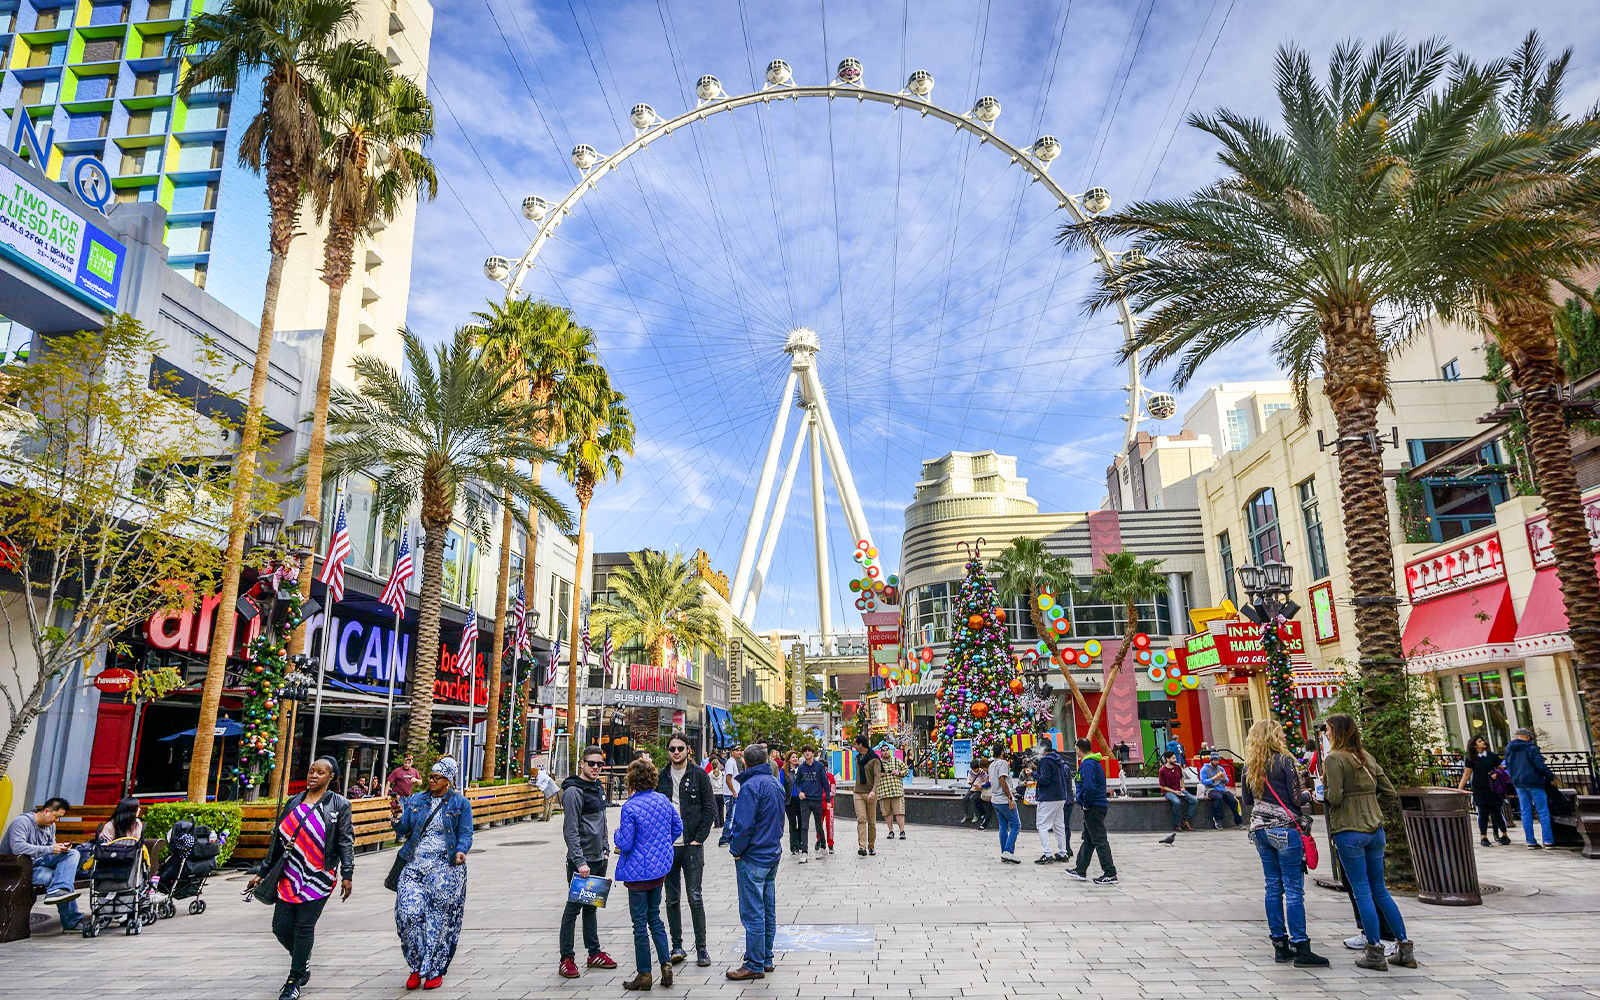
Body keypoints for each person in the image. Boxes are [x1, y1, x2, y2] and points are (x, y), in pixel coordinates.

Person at [249, 756, 355, 1000]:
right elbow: (278, 840)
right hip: (289, 874)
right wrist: (262, 873)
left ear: (331, 778)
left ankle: (294, 980)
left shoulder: (339, 805)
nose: (313, 776)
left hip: (319, 875)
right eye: (311, 771)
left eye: (320, 772)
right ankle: (302, 958)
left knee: (304, 927)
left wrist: (347, 874)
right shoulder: (293, 801)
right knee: (280, 927)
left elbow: (344, 841)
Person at [1323, 713, 1416, 972]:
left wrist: (1325, 794)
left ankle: (1374, 950)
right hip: (1375, 828)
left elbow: (1336, 797)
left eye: (1328, 729)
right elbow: (1389, 792)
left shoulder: (1334, 759)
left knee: (1361, 889)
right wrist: (1376, 810)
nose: (1326, 733)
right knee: (1380, 890)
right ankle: (1404, 946)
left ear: (1337, 732)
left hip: (1349, 829)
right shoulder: (1367, 757)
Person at [1240, 720, 1328, 968]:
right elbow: (1295, 799)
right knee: (1293, 889)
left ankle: (1279, 944)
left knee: (1272, 887)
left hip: (1260, 830)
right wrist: (1308, 795)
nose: (1284, 738)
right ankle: (1301, 945)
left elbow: (1247, 799)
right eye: (1280, 734)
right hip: (1285, 831)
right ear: (1272, 737)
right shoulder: (1285, 761)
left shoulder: (1250, 765)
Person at [389, 756, 472, 991]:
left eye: (438, 777)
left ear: (449, 780)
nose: (432, 781)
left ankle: (433, 969)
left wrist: (461, 851)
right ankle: (416, 964)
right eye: (431, 776)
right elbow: (403, 828)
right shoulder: (417, 800)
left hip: (445, 868)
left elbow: (465, 833)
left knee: (438, 920)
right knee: (408, 915)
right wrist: (396, 815)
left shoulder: (460, 804)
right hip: (414, 866)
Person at [615, 756, 682, 991]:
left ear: (632, 780)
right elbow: (678, 827)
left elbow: (625, 843)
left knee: (639, 924)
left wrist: (615, 835)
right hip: (658, 871)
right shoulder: (663, 800)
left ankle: (644, 973)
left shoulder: (630, 807)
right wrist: (663, 844)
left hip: (637, 874)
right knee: (655, 918)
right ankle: (666, 965)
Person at [725, 743, 786, 981]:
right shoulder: (774, 784)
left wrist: (736, 849)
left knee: (753, 912)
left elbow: (743, 825)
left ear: (746, 763)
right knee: (767, 908)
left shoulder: (750, 786)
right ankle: (766, 957)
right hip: (771, 853)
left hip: (753, 855)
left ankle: (754, 962)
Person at [557, 746, 618, 979]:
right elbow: (570, 830)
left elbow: (601, 822)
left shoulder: (597, 788)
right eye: (591, 763)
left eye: (599, 764)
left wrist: (604, 851)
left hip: (598, 859)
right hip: (580, 863)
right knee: (572, 909)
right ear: (581, 763)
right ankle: (566, 958)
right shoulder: (574, 791)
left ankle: (594, 953)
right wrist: (580, 861)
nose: (595, 767)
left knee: (591, 908)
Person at [657, 731, 713, 967]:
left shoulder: (699, 775)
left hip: (691, 846)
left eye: (680, 748)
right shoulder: (661, 777)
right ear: (668, 751)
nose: (676, 752)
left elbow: (710, 809)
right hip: (668, 847)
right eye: (672, 749)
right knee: (671, 899)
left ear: (688, 750)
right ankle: (677, 945)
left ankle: (702, 949)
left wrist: (698, 839)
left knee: (695, 896)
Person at [3, 796, 83, 931]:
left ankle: (58, 891)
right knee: (60, 879)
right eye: (56, 816)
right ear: (46, 811)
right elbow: (18, 848)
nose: (56, 821)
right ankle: (72, 922)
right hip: (19, 869)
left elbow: (50, 847)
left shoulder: (50, 826)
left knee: (72, 854)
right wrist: (51, 849)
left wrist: (60, 848)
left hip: (39, 863)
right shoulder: (22, 822)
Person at [1066, 738, 1116, 885]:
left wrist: (1086, 803)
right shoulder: (1094, 761)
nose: (1075, 751)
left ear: (1079, 749)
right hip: (1097, 804)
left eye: (1076, 748)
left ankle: (1110, 873)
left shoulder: (1087, 764)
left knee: (1099, 840)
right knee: (1088, 839)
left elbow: (1089, 787)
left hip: (1093, 806)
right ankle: (1080, 870)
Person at [1503, 727, 1558, 849]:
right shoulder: (1531, 748)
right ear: (1527, 736)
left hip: (1519, 783)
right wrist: (1550, 777)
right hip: (1534, 782)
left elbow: (1507, 765)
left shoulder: (1509, 749)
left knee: (1525, 811)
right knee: (1543, 811)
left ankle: (1530, 841)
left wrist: (1514, 778)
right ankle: (1548, 840)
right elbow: (1540, 765)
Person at [1457, 736, 1511, 846]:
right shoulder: (1471, 758)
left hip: (1494, 788)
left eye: (1482, 740)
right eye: (1480, 741)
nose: (1483, 742)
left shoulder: (1491, 756)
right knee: (1482, 813)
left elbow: (1501, 769)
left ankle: (1504, 835)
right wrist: (1459, 789)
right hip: (1479, 788)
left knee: (1497, 812)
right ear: (1474, 745)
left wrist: (1497, 774)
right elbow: (1467, 774)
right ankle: (1483, 836)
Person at [1033, 739, 1072, 863]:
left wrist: (1033, 774)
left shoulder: (1045, 761)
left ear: (1043, 748)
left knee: (1042, 825)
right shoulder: (1058, 760)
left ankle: (1047, 854)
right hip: (1060, 796)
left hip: (1048, 797)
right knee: (1059, 825)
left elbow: (1045, 780)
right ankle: (1063, 852)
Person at [792, 746, 830, 862]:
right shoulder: (801, 768)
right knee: (804, 826)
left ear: (813, 753)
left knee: (819, 826)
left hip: (817, 800)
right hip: (805, 801)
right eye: (805, 751)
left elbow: (825, 783)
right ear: (803, 754)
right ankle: (804, 852)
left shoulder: (819, 766)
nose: (807, 753)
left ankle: (823, 847)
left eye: (809, 751)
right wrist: (799, 792)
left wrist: (828, 800)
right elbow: (797, 783)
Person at [987, 743, 1021, 863]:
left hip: (995, 799)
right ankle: (1008, 851)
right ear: (1002, 752)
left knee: (1003, 826)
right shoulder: (1003, 763)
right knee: (1016, 825)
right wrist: (1010, 798)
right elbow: (1002, 780)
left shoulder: (991, 765)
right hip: (1003, 799)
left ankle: (1004, 852)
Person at [852, 734, 882, 856]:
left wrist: (873, 791)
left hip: (870, 793)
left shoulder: (874, 759)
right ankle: (862, 846)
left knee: (871, 821)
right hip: (858, 792)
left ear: (861, 745)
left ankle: (871, 846)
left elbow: (877, 776)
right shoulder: (857, 758)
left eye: (855, 744)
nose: (854, 746)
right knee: (861, 819)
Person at [1200, 751, 1243, 828]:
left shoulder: (1221, 768)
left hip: (1222, 789)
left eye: (1218, 760)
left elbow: (1227, 781)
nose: (1217, 762)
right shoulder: (1204, 769)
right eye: (1215, 760)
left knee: (1233, 800)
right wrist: (1213, 779)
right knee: (1218, 797)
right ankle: (1218, 819)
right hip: (1210, 789)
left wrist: (1223, 779)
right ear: (1211, 760)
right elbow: (1203, 781)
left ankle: (1239, 821)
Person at [1158, 752, 1198, 832]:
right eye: (1173, 758)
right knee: (1176, 802)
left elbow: (1181, 779)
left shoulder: (1177, 767)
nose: (1175, 760)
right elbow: (1162, 786)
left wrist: (1183, 788)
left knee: (1194, 801)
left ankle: (1186, 821)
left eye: (1175, 758)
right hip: (1168, 791)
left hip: (1179, 790)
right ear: (1167, 759)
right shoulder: (1162, 770)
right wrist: (1174, 792)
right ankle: (1177, 824)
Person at [876, 750, 909, 841]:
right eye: (883, 751)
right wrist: (879, 774)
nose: (885, 752)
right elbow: (872, 774)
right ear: (881, 752)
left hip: (896, 790)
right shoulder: (878, 763)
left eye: (887, 750)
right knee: (887, 813)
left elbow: (906, 770)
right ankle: (891, 831)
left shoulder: (897, 760)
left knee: (899, 812)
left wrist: (899, 773)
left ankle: (902, 831)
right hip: (884, 791)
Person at [962, 759, 992, 830]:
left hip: (984, 791)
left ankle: (979, 818)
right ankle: (966, 815)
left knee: (974, 798)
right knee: (966, 798)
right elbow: (969, 779)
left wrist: (981, 786)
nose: (981, 770)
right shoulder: (971, 772)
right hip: (976, 789)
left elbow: (989, 782)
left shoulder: (987, 772)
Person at [709, 755, 729, 828]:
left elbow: (709, 785)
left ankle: (716, 824)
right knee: (721, 809)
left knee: (715, 809)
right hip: (721, 793)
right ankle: (722, 823)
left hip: (714, 793)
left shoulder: (710, 774)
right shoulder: (722, 774)